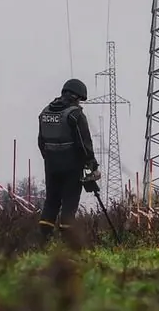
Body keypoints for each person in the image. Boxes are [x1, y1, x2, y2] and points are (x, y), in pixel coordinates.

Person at [36, 77, 99, 241]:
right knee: (70, 203)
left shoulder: (45, 113)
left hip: (51, 166)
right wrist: (91, 168)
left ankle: (44, 240)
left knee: (51, 202)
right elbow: (85, 146)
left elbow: (41, 142)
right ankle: (68, 241)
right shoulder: (75, 115)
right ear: (77, 97)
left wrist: (50, 160)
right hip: (72, 167)